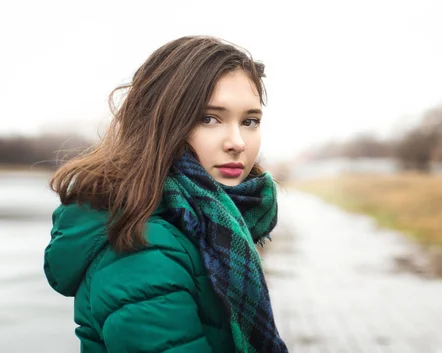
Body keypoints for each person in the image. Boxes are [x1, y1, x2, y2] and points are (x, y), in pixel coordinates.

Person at [43, 35, 288, 353]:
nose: (237, 141)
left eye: (250, 121)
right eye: (209, 118)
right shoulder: (144, 245)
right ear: (162, 121)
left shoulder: (207, 223)